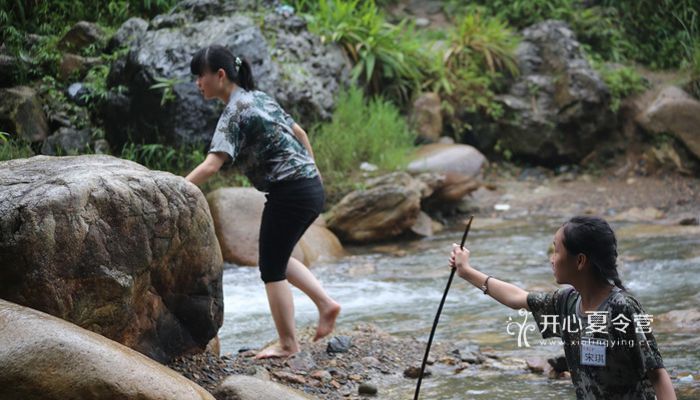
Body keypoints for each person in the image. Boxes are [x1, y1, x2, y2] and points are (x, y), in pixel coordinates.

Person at [184, 45, 340, 359]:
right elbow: (301, 132)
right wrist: (314, 172)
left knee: (270, 268)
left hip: (291, 191)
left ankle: (287, 343)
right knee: (277, 257)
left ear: (220, 75)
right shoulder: (259, 97)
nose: (198, 83)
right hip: (308, 187)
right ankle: (326, 304)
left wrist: (176, 186)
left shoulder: (235, 111)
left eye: (200, 77)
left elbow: (212, 165)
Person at [449, 216, 676, 399]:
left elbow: (657, 374)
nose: (552, 258)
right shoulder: (566, 302)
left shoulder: (622, 309)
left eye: (556, 250)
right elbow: (517, 297)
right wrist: (466, 271)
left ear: (580, 261)